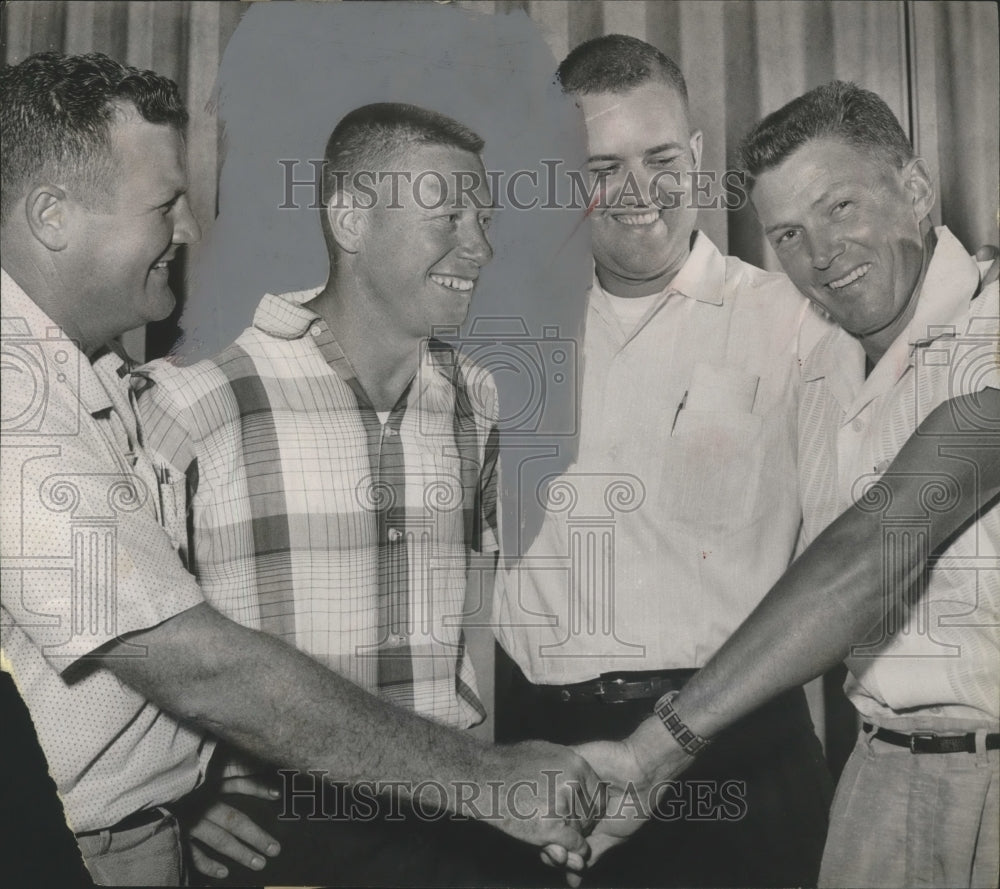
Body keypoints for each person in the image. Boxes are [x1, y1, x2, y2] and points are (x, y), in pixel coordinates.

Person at [0, 51, 598, 887]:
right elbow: (194, 660)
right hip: (191, 844)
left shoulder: (91, 377)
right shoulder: (139, 396)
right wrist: (494, 782)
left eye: (486, 217)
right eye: (166, 204)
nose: (188, 230)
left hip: (436, 828)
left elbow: (473, 617)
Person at [573, 81, 999, 889]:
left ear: (913, 189)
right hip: (875, 775)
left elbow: (875, 546)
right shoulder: (823, 362)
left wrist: (652, 749)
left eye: (840, 206)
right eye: (789, 234)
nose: (822, 254)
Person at [134, 101, 531, 886]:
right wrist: (177, 799)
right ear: (350, 219)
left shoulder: (474, 397)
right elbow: (134, 638)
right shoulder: (195, 399)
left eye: (483, 218)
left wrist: (498, 789)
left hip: (453, 828)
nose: (479, 246)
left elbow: (476, 620)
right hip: (278, 839)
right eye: (448, 214)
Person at [493, 34, 834, 888]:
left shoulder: (796, 320)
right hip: (544, 766)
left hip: (740, 761)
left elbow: (850, 562)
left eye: (659, 158)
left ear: (699, 155)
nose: (638, 192)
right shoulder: (490, 334)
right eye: (600, 166)